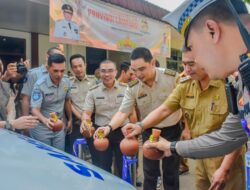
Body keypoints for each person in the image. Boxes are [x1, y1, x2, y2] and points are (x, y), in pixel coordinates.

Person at [123, 3, 250, 190]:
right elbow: (229, 136)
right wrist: (172, 147)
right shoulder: (242, 84)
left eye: (194, 48)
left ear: (212, 31)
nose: (195, 62)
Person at [94, 47, 182, 190]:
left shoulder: (172, 78)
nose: (138, 74)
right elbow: (123, 112)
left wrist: (188, 129)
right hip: (148, 131)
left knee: (171, 173)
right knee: (150, 173)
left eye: (142, 69)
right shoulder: (133, 87)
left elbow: (184, 105)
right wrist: (108, 127)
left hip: (172, 130)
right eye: (134, 70)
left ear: (153, 63)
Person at [81, 60, 131, 177]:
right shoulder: (93, 91)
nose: (106, 74)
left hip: (122, 131)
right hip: (101, 132)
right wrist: (85, 121)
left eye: (110, 71)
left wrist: (133, 134)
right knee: (103, 166)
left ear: (116, 72)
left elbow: (132, 113)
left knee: (123, 166)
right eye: (103, 71)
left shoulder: (126, 89)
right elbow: (87, 113)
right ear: (99, 72)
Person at [30, 54, 72, 151]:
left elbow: (67, 101)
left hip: (59, 126)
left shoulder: (66, 81)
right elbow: (34, 110)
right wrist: (45, 121)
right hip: (42, 127)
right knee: (44, 158)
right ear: (48, 68)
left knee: (60, 155)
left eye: (62, 71)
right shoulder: (40, 85)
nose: (59, 74)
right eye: (55, 71)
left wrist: (69, 119)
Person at [66, 54, 95, 154]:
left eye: (80, 65)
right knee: (75, 152)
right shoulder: (68, 82)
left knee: (94, 151)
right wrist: (81, 118)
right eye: (75, 67)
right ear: (71, 68)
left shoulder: (95, 81)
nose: (78, 69)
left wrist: (87, 120)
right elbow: (68, 102)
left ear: (85, 65)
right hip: (75, 122)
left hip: (92, 122)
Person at [21, 47, 62, 116]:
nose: (58, 60)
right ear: (47, 57)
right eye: (56, 57)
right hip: (38, 121)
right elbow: (26, 99)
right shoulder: (33, 74)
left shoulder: (61, 76)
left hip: (57, 121)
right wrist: (25, 121)